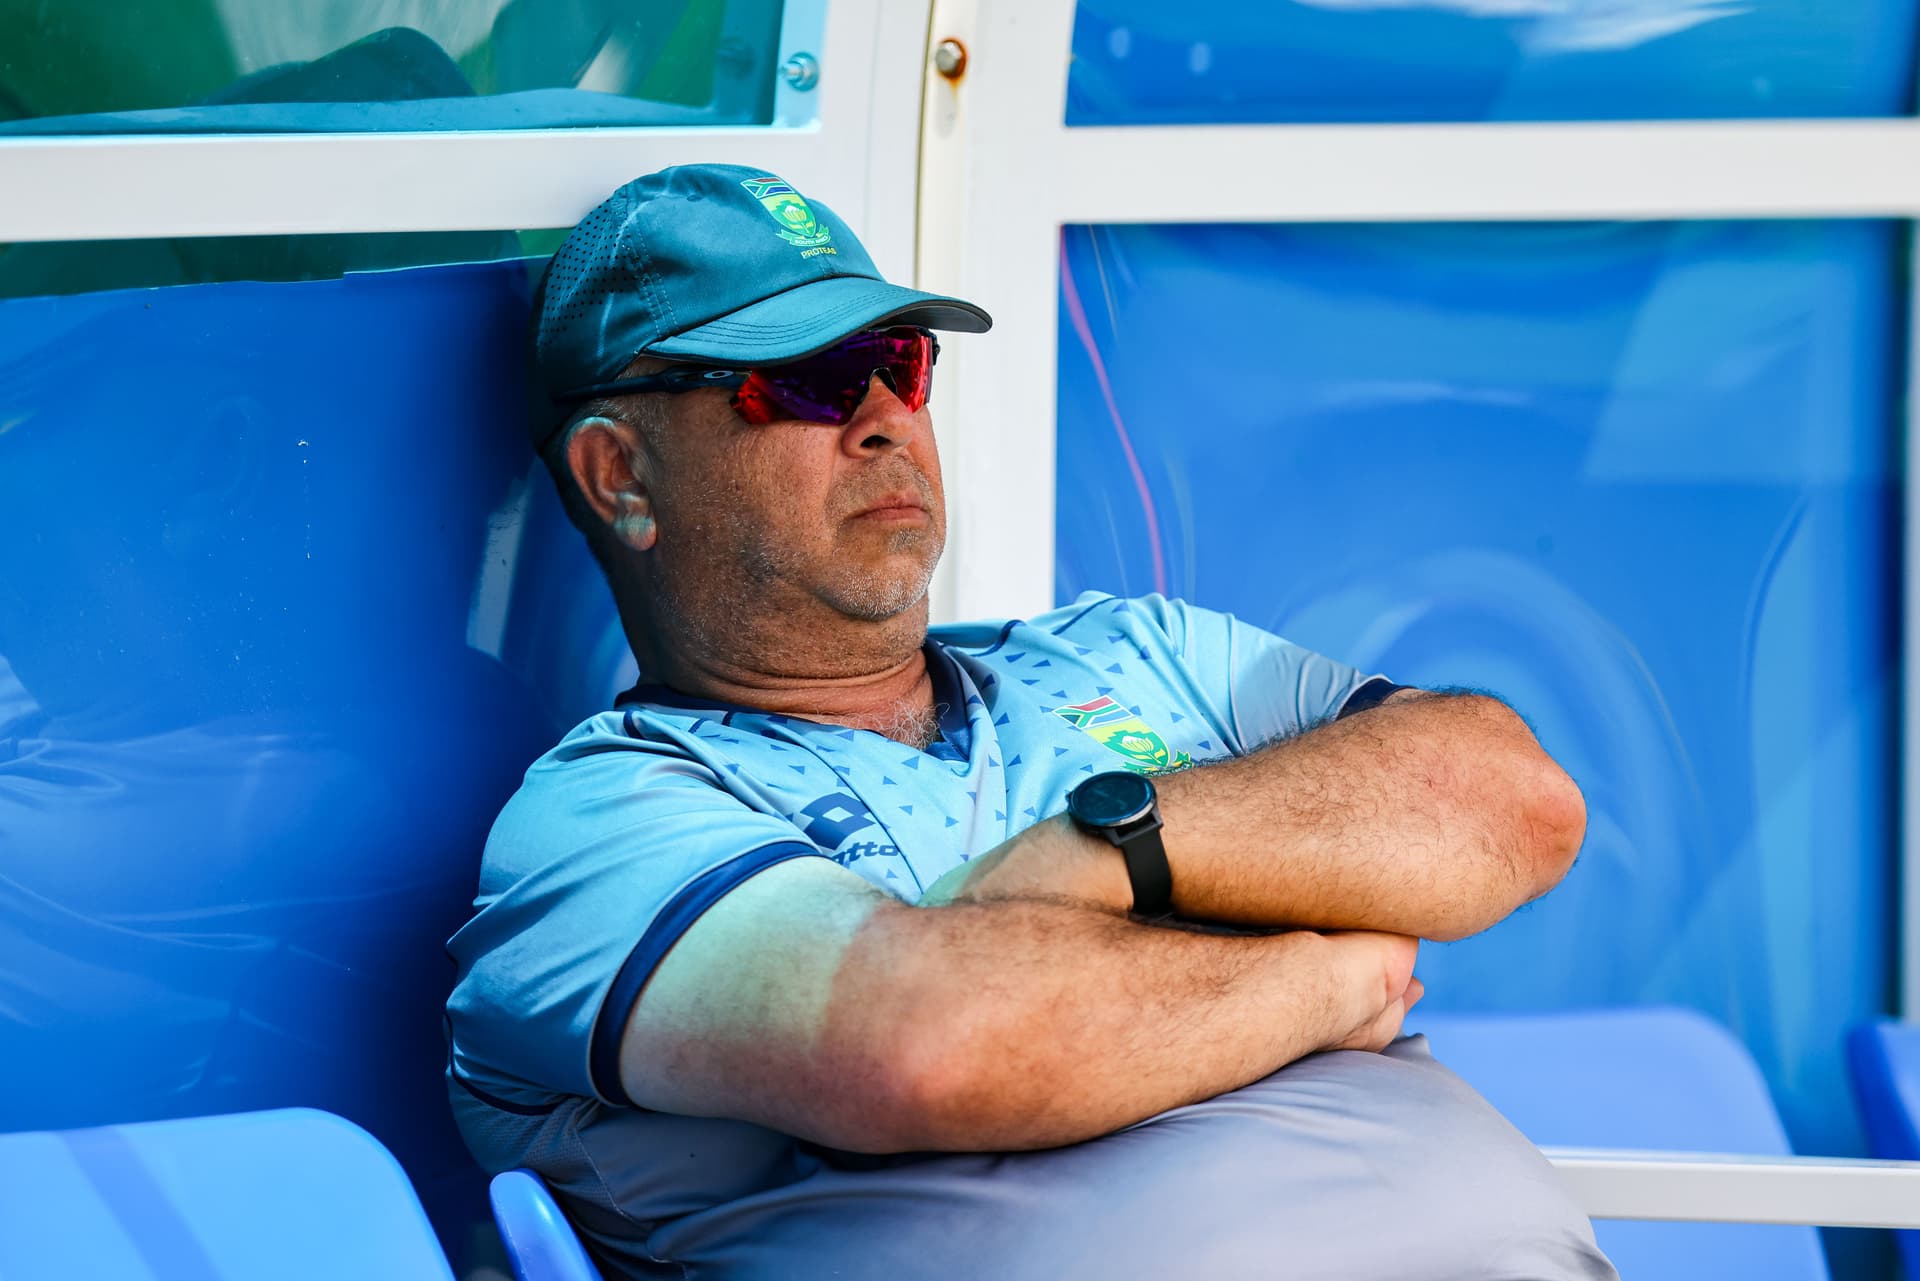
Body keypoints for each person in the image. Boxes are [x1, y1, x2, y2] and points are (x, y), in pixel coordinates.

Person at [445, 163, 1618, 1280]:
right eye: (802, 378)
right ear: (622, 479)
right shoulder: (599, 820)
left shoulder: (1133, 649)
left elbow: (1514, 805)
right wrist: (1326, 977)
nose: (882, 419)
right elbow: (938, 1047)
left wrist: (1113, 854)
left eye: (898, 363)